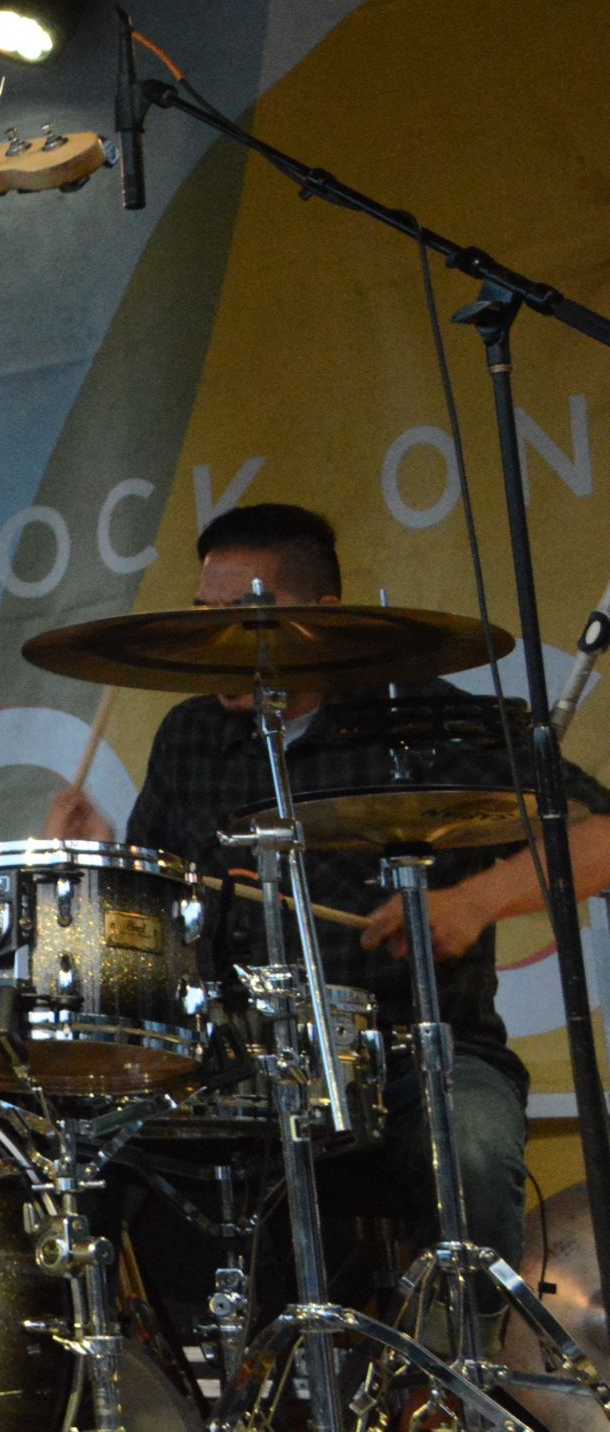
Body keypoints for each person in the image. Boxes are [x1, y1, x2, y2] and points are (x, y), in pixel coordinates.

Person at [45, 501, 610, 1273]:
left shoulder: (429, 723)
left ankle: (466, 1379)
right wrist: (105, 867)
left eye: (248, 618)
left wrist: (475, 902)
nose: (219, 643)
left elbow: (603, 835)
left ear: (323, 617)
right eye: (207, 617)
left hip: (415, 1052)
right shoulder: (192, 737)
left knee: (470, 1150)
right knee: (78, 1149)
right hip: (236, 1060)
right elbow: (159, 926)